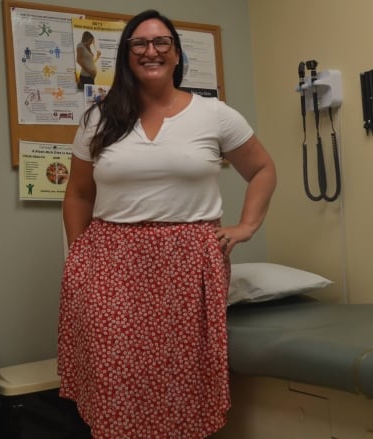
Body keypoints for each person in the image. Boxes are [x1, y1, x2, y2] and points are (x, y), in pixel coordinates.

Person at [58, 9, 277, 439]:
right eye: (139, 43)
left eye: (161, 43)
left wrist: (245, 227)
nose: (151, 51)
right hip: (110, 266)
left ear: (176, 54)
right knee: (114, 375)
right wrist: (79, 259)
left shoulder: (214, 114)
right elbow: (79, 194)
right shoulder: (98, 119)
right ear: (126, 55)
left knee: (181, 377)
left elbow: (264, 169)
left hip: (188, 261)